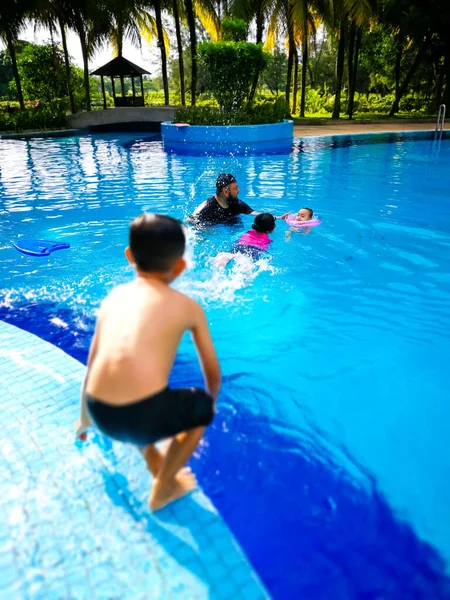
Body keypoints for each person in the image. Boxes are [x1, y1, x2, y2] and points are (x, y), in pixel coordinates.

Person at [75, 214, 221, 511]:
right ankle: (164, 486)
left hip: (100, 414)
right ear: (181, 266)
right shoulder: (189, 307)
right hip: (140, 421)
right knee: (201, 408)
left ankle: (150, 452)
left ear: (129, 256)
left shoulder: (113, 297)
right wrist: (211, 402)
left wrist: (85, 418)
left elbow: (93, 362)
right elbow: (212, 374)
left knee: (139, 382)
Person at [187, 173, 289, 226]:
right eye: (235, 188)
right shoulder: (207, 207)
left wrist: (279, 217)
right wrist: (207, 230)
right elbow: (189, 220)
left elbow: (253, 213)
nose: (239, 191)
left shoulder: (236, 204)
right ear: (226, 191)